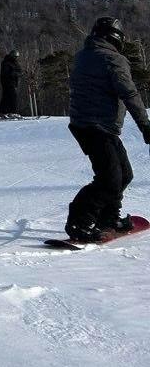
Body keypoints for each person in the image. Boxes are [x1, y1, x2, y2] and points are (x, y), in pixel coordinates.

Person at [64, 17, 150, 242]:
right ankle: (79, 222)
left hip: (88, 125)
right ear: (116, 38)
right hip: (97, 126)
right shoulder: (113, 59)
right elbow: (129, 94)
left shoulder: (84, 55)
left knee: (124, 174)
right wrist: (145, 125)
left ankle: (109, 218)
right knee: (109, 179)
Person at [0, 50, 23, 117]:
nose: (16, 58)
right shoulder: (6, 62)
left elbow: (20, 71)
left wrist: (16, 73)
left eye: (17, 57)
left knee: (7, 97)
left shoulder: (15, 62)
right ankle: (13, 112)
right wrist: (14, 73)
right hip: (7, 82)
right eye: (15, 56)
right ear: (12, 56)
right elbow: (6, 73)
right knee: (12, 97)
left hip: (14, 82)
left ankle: (3, 112)